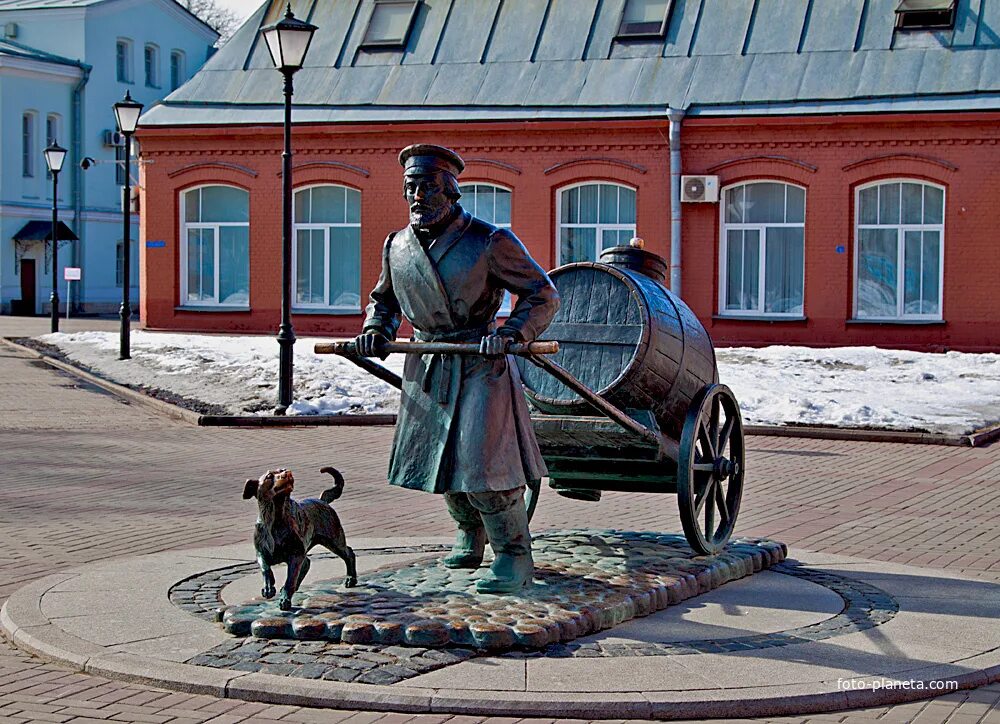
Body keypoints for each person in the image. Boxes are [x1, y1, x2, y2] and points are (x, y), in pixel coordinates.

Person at [355, 144, 559, 594]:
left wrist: (511, 333)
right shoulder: (397, 246)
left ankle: (513, 555)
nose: (417, 197)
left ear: (451, 193)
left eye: (427, 188)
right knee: (441, 461)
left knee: (481, 462)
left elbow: (542, 294)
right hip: (429, 362)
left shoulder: (489, 241)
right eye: (411, 187)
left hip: (480, 362)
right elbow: (384, 301)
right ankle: (470, 533)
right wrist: (375, 328)